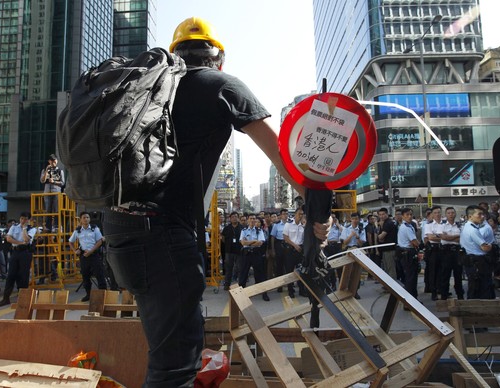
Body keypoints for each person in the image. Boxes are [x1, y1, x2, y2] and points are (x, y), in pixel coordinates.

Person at [100, 17, 329, 387]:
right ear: (218, 58)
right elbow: (283, 155)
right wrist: (317, 208)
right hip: (163, 233)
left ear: (175, 54)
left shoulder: (148, 89)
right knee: (174, 367)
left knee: (165, 343)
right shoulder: (222, 85)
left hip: (118, 228)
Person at [0, 212, 37, 307]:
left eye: (26, 219)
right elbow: (8, 239)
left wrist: (24, 229)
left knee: (23, 275)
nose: (23, 221)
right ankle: (6, 298)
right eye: (22, 218)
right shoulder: (14, 227)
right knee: (11, 275)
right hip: (15, 252)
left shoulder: (31, 229)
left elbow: (27, 240)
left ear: (29, 220)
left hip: (25, 253)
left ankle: (22, 298)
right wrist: (20, 243)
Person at [69, 212, 107, 302]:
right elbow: (70, 242)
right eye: (84, 217)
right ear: (81, 220)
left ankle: (103, 294)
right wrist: (75, 250)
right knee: (85, 276)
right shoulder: (78, 230)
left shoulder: (95, 229)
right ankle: (88, 294)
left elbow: (99, 241)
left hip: (94, 254)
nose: (86, 219)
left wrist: (91, 251)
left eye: (87, 217)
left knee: (99, 274)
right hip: (84, 256)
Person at [460, 205, 495, 300]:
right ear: (470, 216)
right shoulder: (472, 230)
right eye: (479, 214)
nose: (482, 216)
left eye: (483, 214)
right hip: (477, 262)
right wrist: (491, 245)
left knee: (475, 287)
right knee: (481, 289)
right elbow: (485, 248)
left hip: (473, 261)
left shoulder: (466, 227)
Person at [238, 215, 269, 301]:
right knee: (243, 274)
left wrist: (248, 242)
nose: (252, 220)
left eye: (254, 219)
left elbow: (260, 243)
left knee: (260, 274)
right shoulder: (243, 230)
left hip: (256, 253)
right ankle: (241, 295)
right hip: (246, 254)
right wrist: (253, 241)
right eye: (251, 219)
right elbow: (243, 243)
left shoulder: (259, 231)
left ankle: (264, 293)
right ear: (248, 220)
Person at [438, 207, 463, 300]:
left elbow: (461, 238)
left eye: (452, 212)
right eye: (449, 213)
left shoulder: (459, 225)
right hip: (445, 252)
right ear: (445, 215)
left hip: (457, 252)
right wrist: (456, 236)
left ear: (455, 214)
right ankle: (444, 296)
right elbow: (444, 238)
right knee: (445, 274)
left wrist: (449, 237)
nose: (451, 214)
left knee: (458, 275)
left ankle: (460, 295)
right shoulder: (442, 225)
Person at [396, 208, 420, 306]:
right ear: (403, 216)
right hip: (408, 254)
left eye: (411, 214)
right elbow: (415, 242)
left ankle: (413, 300)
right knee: (410, 278)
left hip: (408, 253)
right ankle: (410, 303)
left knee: (412, 277)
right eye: (407, 215)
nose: (409, 216)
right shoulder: (405, 227)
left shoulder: (409, 226)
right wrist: (418, 245)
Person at [283, 207, 307, 298]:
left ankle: (301, 290)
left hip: (300, 251)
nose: (301, 216)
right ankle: (290, 290)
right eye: (299, 214)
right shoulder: (288, 224)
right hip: (290, 250)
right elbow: (285, 237)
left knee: (301, 270)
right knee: (289, 271)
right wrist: (294, 245)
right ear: (295, 214)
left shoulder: (303, 226)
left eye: (302, 214)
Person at [40, 154, 65, 232]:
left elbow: (63, 182)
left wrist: (54, 181)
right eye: (52, 160)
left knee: (56, 209)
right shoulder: (44, 170)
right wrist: (46, 171)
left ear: (57, 161)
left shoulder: (60, 170)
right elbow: (42, 180)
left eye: (55, 160)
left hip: (56, 192)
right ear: (49, 161)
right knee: (48, 210)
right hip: (47, 192)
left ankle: (57, 225)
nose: (53, 162)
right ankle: (48, 226)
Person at [424, 206, 443, 300]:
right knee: (433, 272)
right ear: (432, 214)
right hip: (434, 250)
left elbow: (456, 238)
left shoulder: (445, 224)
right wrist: (444, 237)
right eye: (435, 213)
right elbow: (430, 238)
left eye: (439, 212)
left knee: (443, 271)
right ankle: (434, 291)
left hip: (444, 249)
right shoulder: (429, 225)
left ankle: (443, 290)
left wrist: (438, 236)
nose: (437, 214)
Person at [220, 211, 242, 290]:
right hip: (229, 251)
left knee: (239, 268)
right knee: (228, 268)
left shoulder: (242, 227)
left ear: (238, 218)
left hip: (239, 251)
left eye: (236, 216)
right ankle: (227, 284)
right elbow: (223, 238)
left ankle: (241, 284)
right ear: (230, 219)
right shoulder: (227, 228)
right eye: (232, 217)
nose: (234, 218)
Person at [270, 208, 288, 292]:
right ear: (280, 215)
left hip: (288, 245)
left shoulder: (291, 223)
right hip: (279, 246)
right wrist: (273, 250)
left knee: (288, 266)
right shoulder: (276, 225)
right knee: (279, 267)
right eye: (283, 214)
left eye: (286, 213)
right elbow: (273, 237)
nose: (285, 215)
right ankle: (279, 286)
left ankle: (289, 284)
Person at [377, 208, 397, 280]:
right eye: (380, 215)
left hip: (390, 249)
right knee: (387, 269)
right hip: (385, 249)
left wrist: (379, 234)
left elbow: (380, 236)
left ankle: (393, 288)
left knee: (390, 269)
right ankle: (388, 287)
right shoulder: (384, 223)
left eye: (383, 214)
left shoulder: (388, 223)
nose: (381, 216)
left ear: (387, 214)